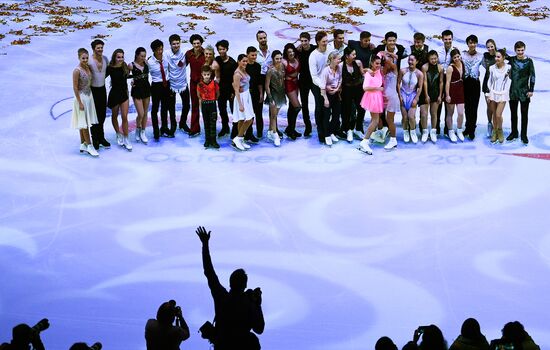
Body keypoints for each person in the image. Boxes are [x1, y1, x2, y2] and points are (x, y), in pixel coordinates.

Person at [196, 226, 265, 350]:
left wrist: (205, 244)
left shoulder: (221, 296)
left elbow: (209, 271)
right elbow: (259, 329)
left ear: (230, 282)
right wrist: (258, 305)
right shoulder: (250, 304)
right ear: (245, 285)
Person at [506, 41, 535, 144]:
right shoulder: (512, 60)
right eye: (518, 50)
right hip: (513, 91)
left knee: (524, 115)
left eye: (522, 50)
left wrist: (531, 89)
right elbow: (500, 56)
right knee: (513, 114)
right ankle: (514, 132)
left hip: (524, 92)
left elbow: (532, 76)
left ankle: (524, 135)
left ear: (524, 49)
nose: (520, 52)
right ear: (515, 50)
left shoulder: (529, 61)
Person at [71, 48, 99, 157]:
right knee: (85, 123)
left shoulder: (87, 67)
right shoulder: (76, 70)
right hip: (81, 98)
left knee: (83, 122)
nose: (85, 60)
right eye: (83, 58)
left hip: (89, 97)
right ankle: (89, 145)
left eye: (87, 58)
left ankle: (83, 143)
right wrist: (80, 102)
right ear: (79, 58)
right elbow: (75, 87)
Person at [358, 55, 384, 155]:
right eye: (376, 63)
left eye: (379, 63)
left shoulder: (377, 71)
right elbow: (365, 87)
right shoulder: (369, 74)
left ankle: (366, 139)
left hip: (377, 97)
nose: (378, 65)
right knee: (375, 120)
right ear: (372, 63)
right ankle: (365, 141)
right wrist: (377, 89)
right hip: (372, 98)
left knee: (376, 120)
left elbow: (380, 54)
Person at [107, 48, 133, 151]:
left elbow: (127, 76)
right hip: (114, 95)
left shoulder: (124, 66)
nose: (121, 59)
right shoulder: (110, 68)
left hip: (124, 94)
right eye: (118, 57)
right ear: (114, 57)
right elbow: (100, 77)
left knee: (124, 117)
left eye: (122, 57)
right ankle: (118, 133)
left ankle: (126, 138)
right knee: (114, 116)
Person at [165, 34, 190, 136]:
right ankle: (173, 125)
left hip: (183, 83)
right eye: (173, 44)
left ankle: (183, 123)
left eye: (177, 43)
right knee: (171, 107)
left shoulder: (185, 52)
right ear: (170, 44)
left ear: (180, 42)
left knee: (187, 105)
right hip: (171, 84)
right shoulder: (166, 54)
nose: (176, 45)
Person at [88, 39, 110, 150]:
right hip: (93, 91)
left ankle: (101, 137)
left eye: (101, 47)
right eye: (98, 48)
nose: (100, 49)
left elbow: (108, 72)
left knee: (102, 115)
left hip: (102, 90)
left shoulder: (105, 59)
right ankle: (95, 138)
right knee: (94, 116)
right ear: (93, 49)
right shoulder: (89, 61)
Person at [340, 46, 366, 143]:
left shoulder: (358, 63)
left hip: (358, 89)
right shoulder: (341, 65)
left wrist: (370, 73)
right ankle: (348, 130)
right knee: (346, 111)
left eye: (355, 54)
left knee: (361, 109)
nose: (355, 56)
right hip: (346, 90)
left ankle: (358, 129)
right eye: (353, 54)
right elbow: (338, 79)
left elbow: (363, 74)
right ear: (347, 56)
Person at [309, 31, 331, 143]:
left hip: (329, 84)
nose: (326, 43)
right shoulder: (313, 56)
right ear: (318, 42)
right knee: (320, 107)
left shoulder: (330, 50)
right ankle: (320, 132)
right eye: (323, 41)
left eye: (327, 41)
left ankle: (328, 131)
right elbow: (314, 76)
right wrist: (323, 85)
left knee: (328, 109)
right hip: (317, 85)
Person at [486, 49, 511, 144]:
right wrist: (489, 94)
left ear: (503, 58)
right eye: (495, 56)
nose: (496, 58)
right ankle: (494, 132)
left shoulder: (508, 68)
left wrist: (505, 92)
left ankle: (500, 131)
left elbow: (509, 81)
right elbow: (490, 81)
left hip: (503, 94)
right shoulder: (492, 68)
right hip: (493, 93)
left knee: (498, 114)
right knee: (494, 114)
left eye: (498, 57)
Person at [232, 54, 256, 151]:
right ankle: (238, 138)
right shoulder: (237, 74)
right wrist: (240, 104)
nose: (245, 63)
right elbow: (236, 90)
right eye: (243, 61)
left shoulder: (243, 70)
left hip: (246, 96)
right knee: (249, 119)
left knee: (242, 119)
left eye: (246, 61)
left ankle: (240, 139)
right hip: (241, 98)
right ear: (238, 61)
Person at [148, 39, 171, 141]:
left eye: (161, 49)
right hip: (156, 86)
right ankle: (156, 131)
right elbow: (142, 73)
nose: (160, 51)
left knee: (165, 107)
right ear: (153, 50)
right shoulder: (149, 61)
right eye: (158, 50)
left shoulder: (166, 57)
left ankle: (164, 128)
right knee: (155, 109)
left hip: (166, 85)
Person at [462, 34, 484, 140]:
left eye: (474, 42)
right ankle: (467, 127)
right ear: (467, 44)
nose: (472, 44)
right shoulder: (462, 55)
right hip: (465, 83)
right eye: (470, 42)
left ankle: (472, 129)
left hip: (475, 83)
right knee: (467, 107)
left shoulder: (481, 56)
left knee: (474, 107)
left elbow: (489, 66)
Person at [398, 54, 424, 144]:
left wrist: (416, 98)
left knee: (411, 117)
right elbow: (398, 84)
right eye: (409, 60)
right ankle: (405, 131)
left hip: (412, 94)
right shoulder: (402, 71)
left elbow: (420, 87)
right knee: (404, 117)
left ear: (417, 61)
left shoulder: (420, 74)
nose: (410, 62)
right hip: (403, 93)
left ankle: (412, 131)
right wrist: (400, 96)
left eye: (412, 60)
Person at [437, 29, 458, 135]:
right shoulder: (437, 50)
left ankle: (447, 128)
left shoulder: (455, 51)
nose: (448, 41)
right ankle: (436, 128)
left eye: (449, 39)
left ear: (452, 39)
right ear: (442, 39)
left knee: (448, 105)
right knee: (438, 103)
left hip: (451, 80)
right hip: (439, 80)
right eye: (445, 39)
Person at [185, 33, 206, 137]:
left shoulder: (206, 53)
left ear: (201, 43)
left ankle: (208, 128)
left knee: (207, 106)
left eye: (198, 43)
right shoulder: (188, 54)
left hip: (204, 84)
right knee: (194, 105)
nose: (196, 45)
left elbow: (212, 67)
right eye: (194, 43)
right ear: (192, 44)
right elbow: (182, 66)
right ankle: (195, 128)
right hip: (193, 82)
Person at [320, 50, 342, 146]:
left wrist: (337, 89)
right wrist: (325, 99)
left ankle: (331, 132)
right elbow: (322, 87)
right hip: (327, 95)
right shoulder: (326, 71)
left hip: (336, 94)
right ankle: (326, 135)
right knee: (326, 115)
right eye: (338, 59)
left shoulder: (339, 68)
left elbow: (340, 80)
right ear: (332, 59)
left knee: (336, 115)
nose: (340, 61)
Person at [215, 40, 237, 137]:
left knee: (233, 110)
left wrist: (233, 92)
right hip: (221, 90)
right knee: (222, 110)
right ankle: (225, 127)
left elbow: (235, 78)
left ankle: (235, 129)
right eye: (220, 49)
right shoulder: (217, 60)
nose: (221, 51)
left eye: (223, 49)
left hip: (231, 90)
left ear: (227, 49)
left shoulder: (232, 62)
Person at [129, 47, 151, 144]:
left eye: (144, 56)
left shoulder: (146, 63)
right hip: (137, 91)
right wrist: (132, 80)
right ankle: (138, 129)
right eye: (141, 56)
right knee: (141, 113)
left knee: (145, 113)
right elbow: (124, 75)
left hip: (146, 89)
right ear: (137, 55)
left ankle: (143, 132)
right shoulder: (131, 65)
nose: (143, 58)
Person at [297, 32, 317, 137]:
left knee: (319, 102)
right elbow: (287, 50)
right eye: (302, 41)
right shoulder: (298, 51)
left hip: (314, 80)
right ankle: (307, 126)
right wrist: (297, 45)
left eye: (306, 40)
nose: (304, 43)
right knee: (304, 105)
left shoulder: (314, 48)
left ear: (309, 40)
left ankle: (319, 123)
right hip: (303, 81)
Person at [421, 50, 444, 143]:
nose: (434, 60)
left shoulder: (440, 67)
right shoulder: (424, 67)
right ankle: (425, 132)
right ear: (428, 59)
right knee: (424, 114)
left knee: (434, 114)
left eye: (435, 58)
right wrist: (426, 95)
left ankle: (433, 131)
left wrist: (440, 95)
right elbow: (425, 81)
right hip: (425, 92)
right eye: (432, 59)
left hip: (436, 92)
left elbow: (441, 82)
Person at [265, 50, 286, 147]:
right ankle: (275, 134)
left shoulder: (282, 67)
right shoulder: (270, 70)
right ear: (273, 59)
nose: (279, 60)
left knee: (275, 115)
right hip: (273, 95)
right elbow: (267, 86)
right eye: (277, 58)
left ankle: (270, 131)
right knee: (273, 116)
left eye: (280, 58)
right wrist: (270, 98)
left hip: (281, 94)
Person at [445, 49, 465, 143]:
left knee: (461, 113)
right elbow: (447, 82)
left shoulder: (463, 64)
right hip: (452, 90)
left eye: (458, 56)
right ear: (452, 59)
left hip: (461, 90)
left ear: (460, 56)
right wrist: (447, 95)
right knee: (450, 113)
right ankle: (450, 131)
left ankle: (459, 130)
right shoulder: (450, 68)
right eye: (454, 57)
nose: (457, 59)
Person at [282, 43, 302, 140]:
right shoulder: (284, 61)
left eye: (293, 51)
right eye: (289, 52)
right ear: (286, 53)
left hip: (296, 84)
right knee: (297, 107)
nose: (291, 53)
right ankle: (290, 128)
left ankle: (291, 129)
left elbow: (300, 45)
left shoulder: (297, 58)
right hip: (288, 84)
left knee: (292, 107)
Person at [197, 65, 220, 149]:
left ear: (210, 74)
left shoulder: (214, 83)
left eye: (208, 74)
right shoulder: (200, 84)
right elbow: (198, 95)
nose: (206, 76)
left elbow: (217, 93)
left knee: (213, 123)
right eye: (205, 74)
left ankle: (213, 140)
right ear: (202, 74)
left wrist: (213, 100)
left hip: (212, 104)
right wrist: (202, 102)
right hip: (204, 105)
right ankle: (207, 140)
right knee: (206, 123)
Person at [380, 51, 399, 150]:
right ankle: (380, 133)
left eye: (390, 59)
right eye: (387, 58)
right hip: (382, 97)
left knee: (389, 119)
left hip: (392, 98)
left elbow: (389, 62)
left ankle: (393, 140)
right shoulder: (382, 70)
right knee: (377, 116)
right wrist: (386, 54)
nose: (389, 60)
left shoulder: (395, 69)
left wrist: (388, 56)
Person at [256, 30, 272, 137]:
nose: (263, 40)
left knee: (273, 105)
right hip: (259, 80)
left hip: (271, 79)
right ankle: (259, 131)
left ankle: (273, 128)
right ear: (257, 39)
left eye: (264, 37)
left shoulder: (272, 51)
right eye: (261, 38)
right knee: (259, 106)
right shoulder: (254, 53)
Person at [481, 39, 498, 138]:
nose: (490, 48)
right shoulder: (485, 56)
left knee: (497, 107)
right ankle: (489, 124)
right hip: (487, 84)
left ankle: (497, 127)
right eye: (488, 47)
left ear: (495, 46)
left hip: (498, 85)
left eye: (492, 46)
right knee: (490, 107)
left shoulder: (499, 54)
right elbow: (483, 65)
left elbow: (509, 63)